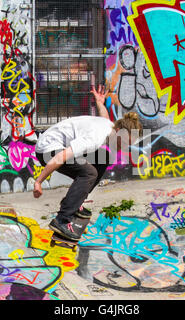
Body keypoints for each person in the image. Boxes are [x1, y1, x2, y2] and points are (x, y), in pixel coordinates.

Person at [33, 85, 143, 240]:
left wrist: (99, 101)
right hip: (47, 150)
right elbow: (61, 157)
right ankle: (62, 220)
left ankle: (74, 202)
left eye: (127, 144)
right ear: (118, 131)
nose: (123, 147)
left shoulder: (111, 126)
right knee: (89, 172)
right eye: (122, 142)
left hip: (58, 147)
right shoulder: (95, 138)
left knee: (104, 158)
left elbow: (104, 115)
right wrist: (39, 181)